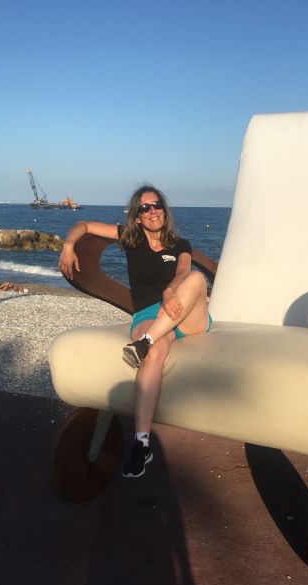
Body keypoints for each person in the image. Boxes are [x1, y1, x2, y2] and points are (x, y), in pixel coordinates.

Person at [59, 185, 212, 478]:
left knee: (195, 278)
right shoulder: (130, 239)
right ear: (137, 216)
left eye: (157, 205)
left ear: (164, 209)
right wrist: (68, 245)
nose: (152, 211)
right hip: (149, 315)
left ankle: (145, 341)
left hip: (184, 314)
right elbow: (84, 225)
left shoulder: (180, 244)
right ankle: (142, 444)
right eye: (145, 208)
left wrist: (170, 290)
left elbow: (183, 272)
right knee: (154, 353)